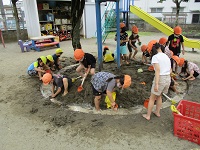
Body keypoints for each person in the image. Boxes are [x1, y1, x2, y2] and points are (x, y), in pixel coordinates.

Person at [143, 43, 171, 120]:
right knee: (159, 96)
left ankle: (148, 115)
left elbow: (157, 70)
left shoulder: (155, 57)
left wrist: (156, 84)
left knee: (152, 98)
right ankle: (157, 112)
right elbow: (170, 69)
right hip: (168, 78)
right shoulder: (166, 56)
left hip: (160, 78)